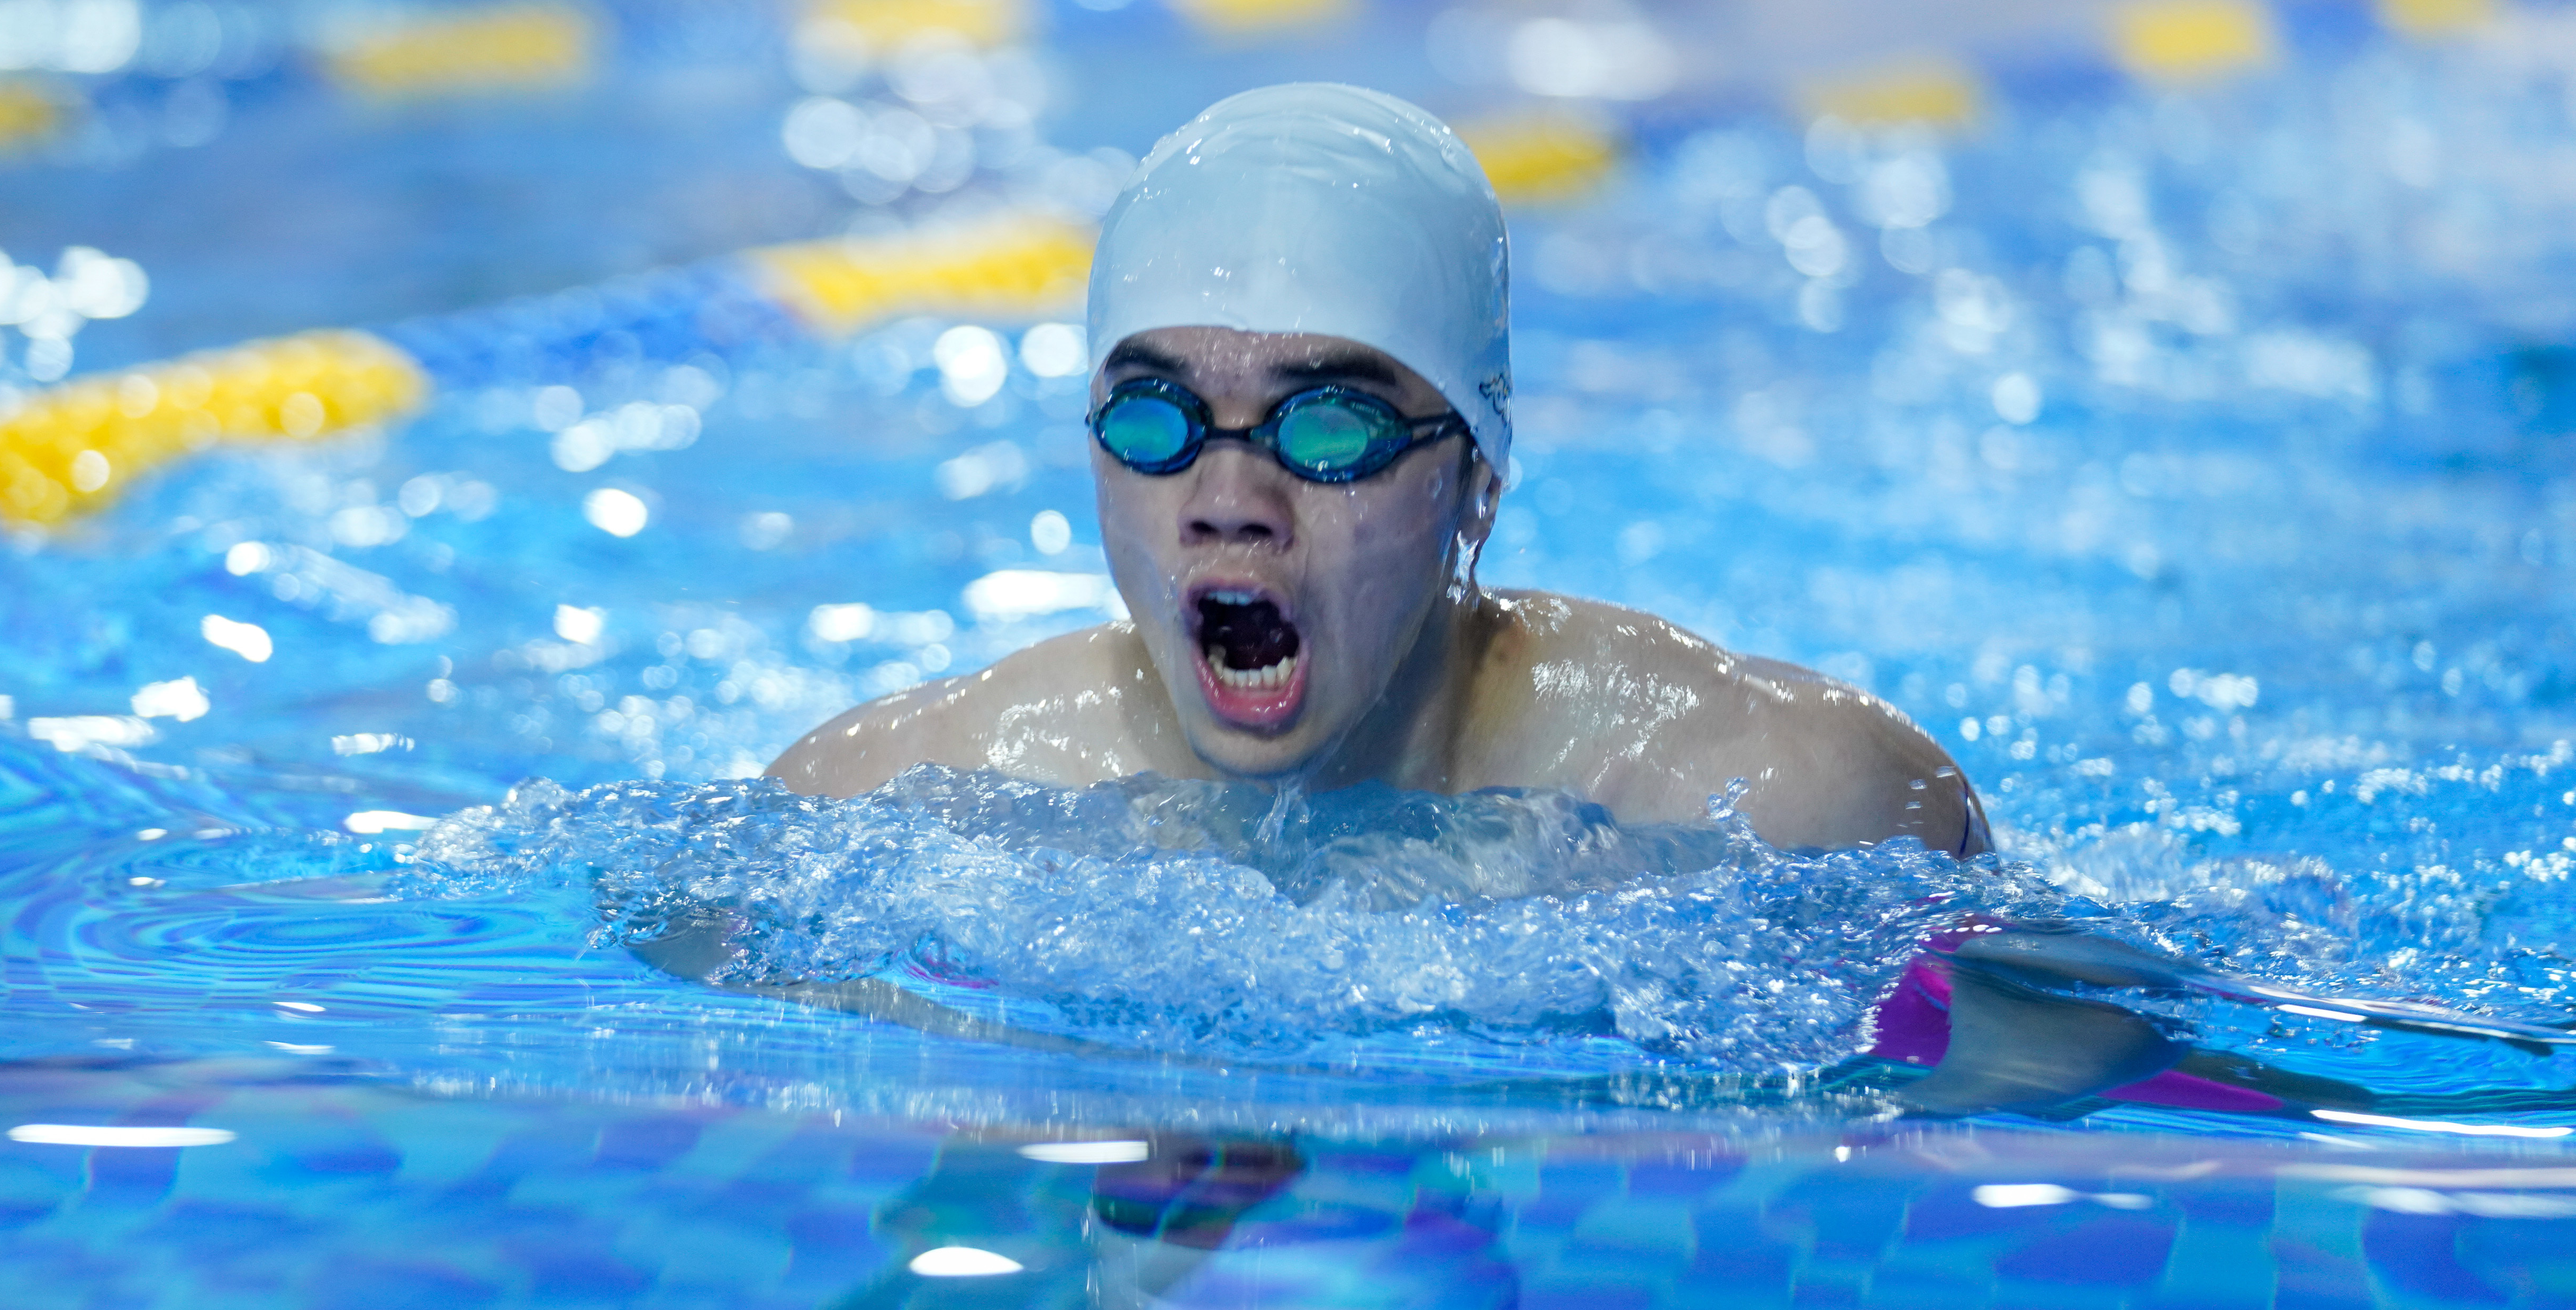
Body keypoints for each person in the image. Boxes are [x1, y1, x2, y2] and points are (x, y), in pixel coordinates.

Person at [770, 83, 1990, 857]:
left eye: (1328, 427)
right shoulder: (908, 804)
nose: (1228, 502)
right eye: (1157, 420)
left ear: (1478, 481)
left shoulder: (1781, 803)